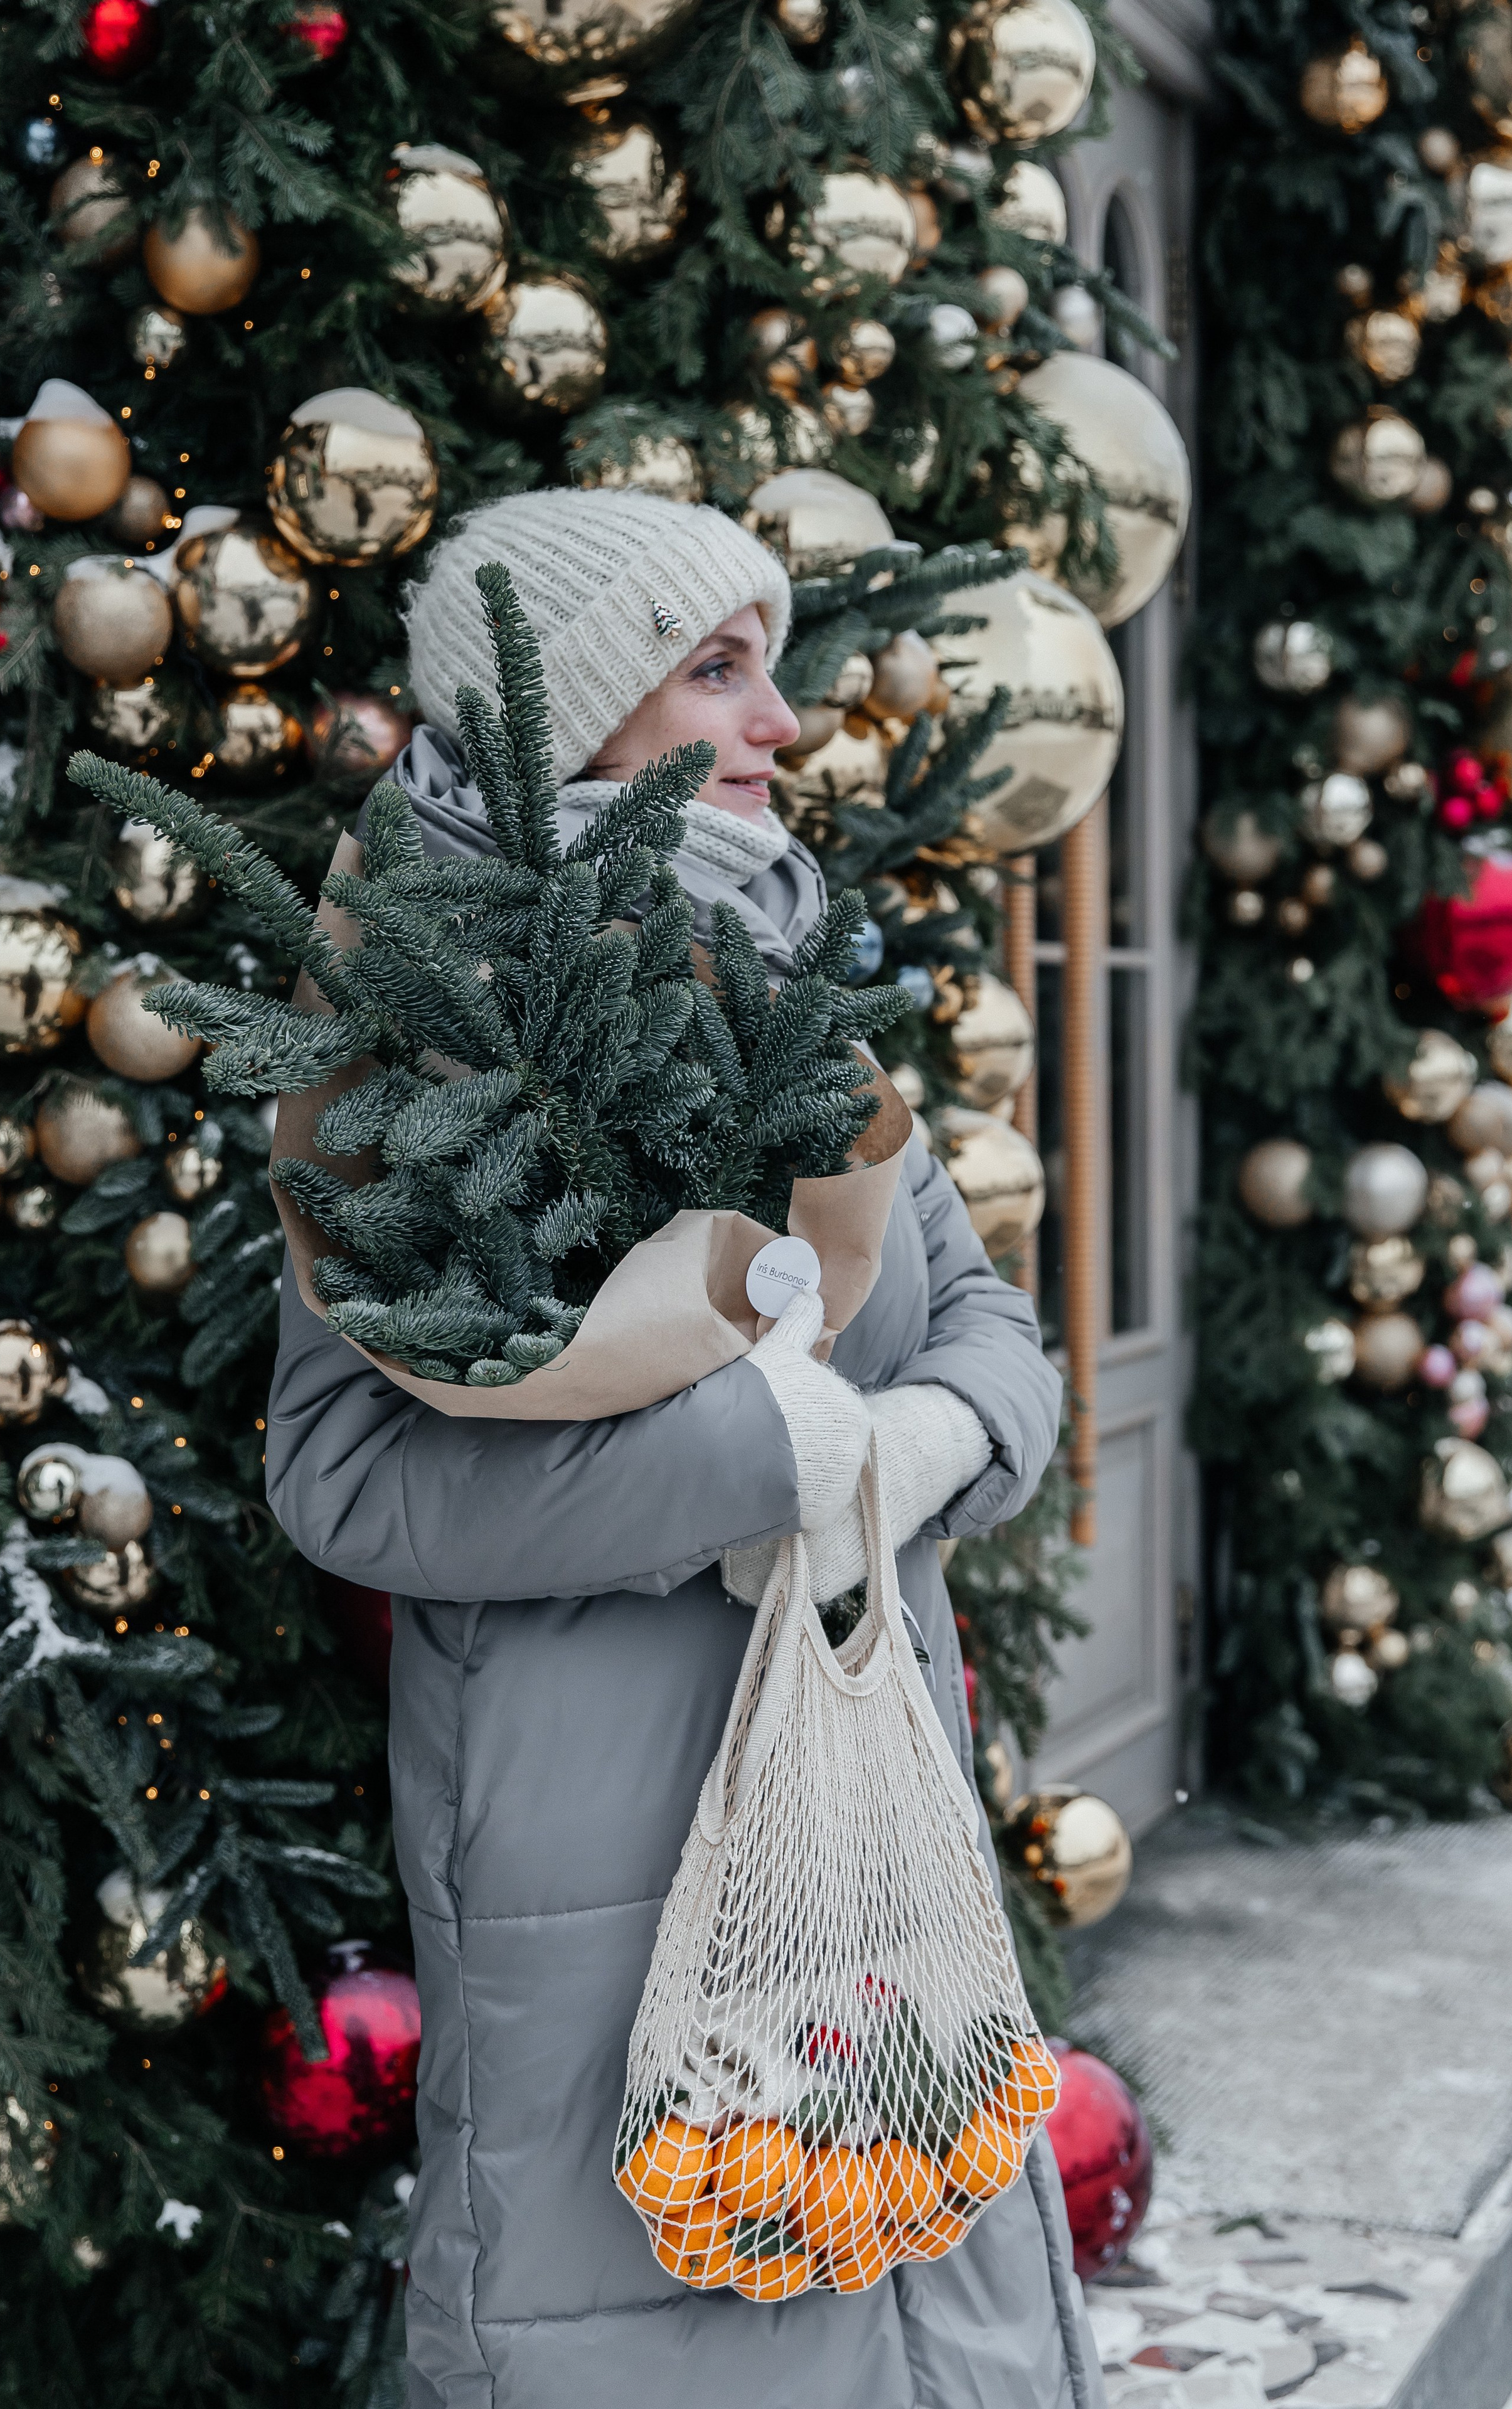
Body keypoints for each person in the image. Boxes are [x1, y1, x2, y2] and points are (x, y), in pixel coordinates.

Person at [267, 488, 1104, 2409]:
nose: (781, 724)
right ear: (569, 711)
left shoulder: (788, 969)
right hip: (600, 1895)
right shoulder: (414, 1017)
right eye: (718, 671)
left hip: (877, 1847)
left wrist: (916, 1446)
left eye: (769, 670)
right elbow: (345, 1475)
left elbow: (993, 1334)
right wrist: (761, 1456)